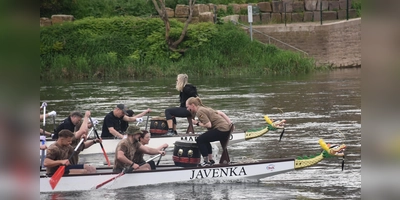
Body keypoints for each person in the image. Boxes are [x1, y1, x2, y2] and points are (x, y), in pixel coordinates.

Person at [185, 97, 233, 167]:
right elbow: (221, 113)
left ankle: (206, 161)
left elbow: (208, 125)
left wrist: (197, 123)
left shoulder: (199, 111)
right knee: (204, 139)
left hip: (221, 130)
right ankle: (210, 160)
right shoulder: (205, 108)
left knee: (200, 140)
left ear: (192, 105)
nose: (187, 109)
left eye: (187, 107)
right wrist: (230, 123)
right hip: (225, 130)